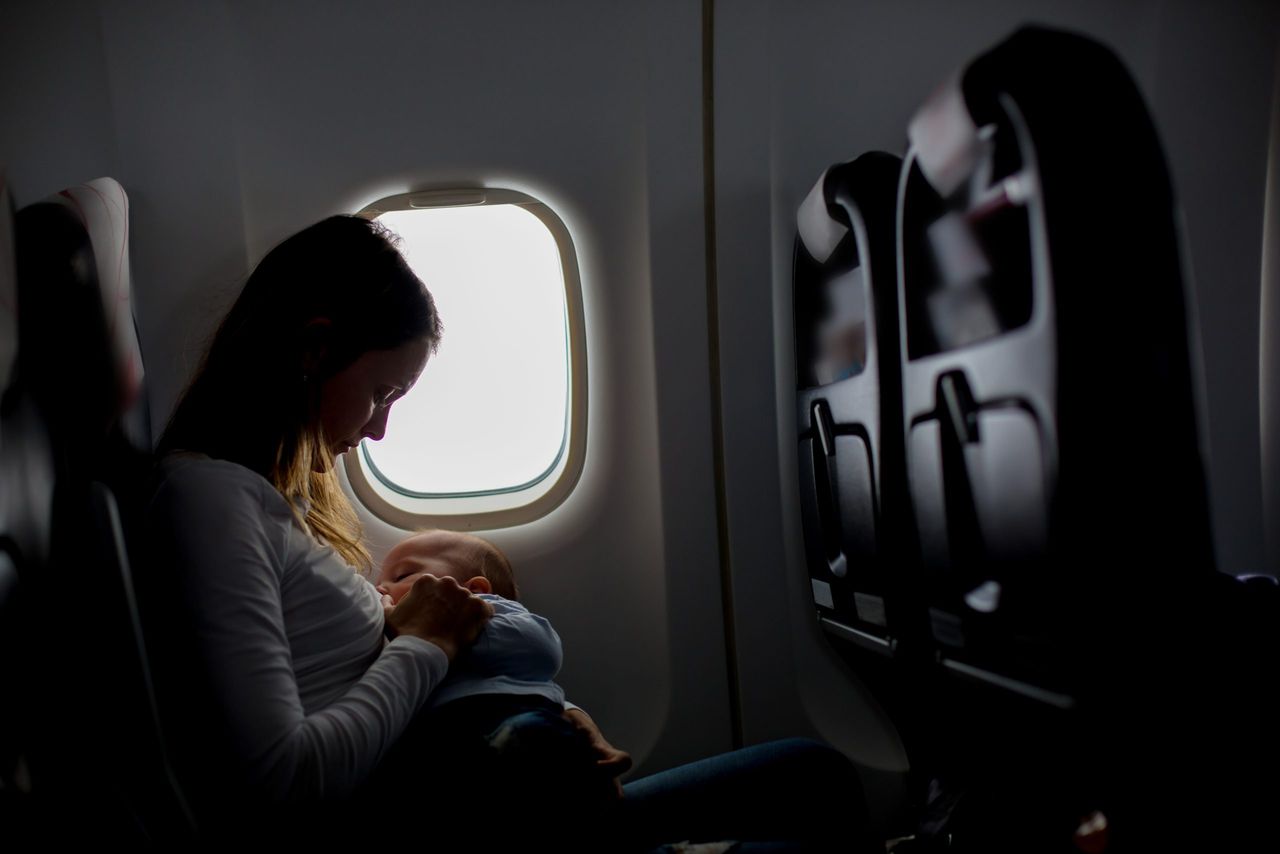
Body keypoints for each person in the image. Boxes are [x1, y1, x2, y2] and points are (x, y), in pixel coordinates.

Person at [144, 214, 875, 851]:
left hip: (481, 800)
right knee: (814, 799)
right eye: (380, 391)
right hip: (439, 829)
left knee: (814, 773)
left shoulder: (274, 503)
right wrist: (430, 644)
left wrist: (555, 714)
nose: (378, 427)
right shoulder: (211, 502)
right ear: (313, 351)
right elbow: (281, 782)